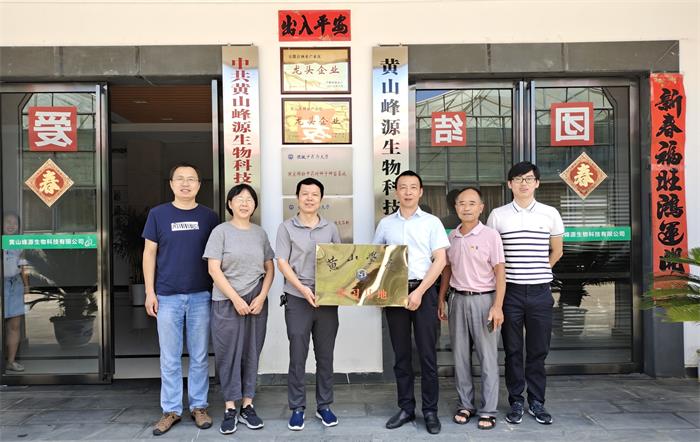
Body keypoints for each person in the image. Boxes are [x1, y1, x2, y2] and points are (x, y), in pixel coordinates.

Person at [142, 163, 219, 436]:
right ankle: (171, 410)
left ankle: (199, 406)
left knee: (199, 355)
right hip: (167, 296)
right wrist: (149, 292)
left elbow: (218, 256)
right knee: (170, 357)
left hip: (201, 295)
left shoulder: (210, 217)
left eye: (191, 179)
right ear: (171, 184)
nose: (186, 184)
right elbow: (149, 253)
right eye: (180, 179)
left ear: (199, 185)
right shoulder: (158, 214)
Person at [486, 161, 564, 426]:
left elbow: (557, 250)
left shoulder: (550, 213)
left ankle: (537, 401)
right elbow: (493, 255)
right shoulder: (498, 215)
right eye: (518, 179)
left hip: (541, 292)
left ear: (537, 183)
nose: (523, 183)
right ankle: (516, 401)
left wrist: (542, 269)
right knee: (513, 350)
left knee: (538, 350)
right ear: (510, 184)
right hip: (510, 293)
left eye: (529, 179)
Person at [373, 170, 450, 435]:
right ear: (396, 192)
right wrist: (377, 293)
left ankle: (430, 411)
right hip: (394, 293)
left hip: (424, 291)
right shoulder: (386, 224)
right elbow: (376, 260)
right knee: (401, 355)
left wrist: (419, 292)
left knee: (427, 354)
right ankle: (406, 407)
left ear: (420, 192)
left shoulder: (432, 222)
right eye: (403, 187)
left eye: (413, 187)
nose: (408, 192)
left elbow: (440, 260)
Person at [203, 184, 274, 435]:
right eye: (239, 198)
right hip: (226, 300)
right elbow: (213, 269)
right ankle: (230, 407)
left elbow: (269, 268)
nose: (245, 203)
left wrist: (262, 296)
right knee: (228, 353)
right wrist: (235, 299)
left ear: (255, 205)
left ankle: (248, 404)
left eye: (249, 199)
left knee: (251, 351)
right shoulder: (220, 232)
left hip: (256, 300)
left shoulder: (260, 233)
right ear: (230, 204)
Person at [276, 178, 341, 431]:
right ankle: (297, 407)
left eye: (315, 194)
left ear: (321, 199)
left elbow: (339, 261)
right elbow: (282, 262)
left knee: (325, 355)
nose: (310, 198)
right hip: (296, 298)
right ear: (297, 197)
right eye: (305, 194)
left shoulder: (330, 228)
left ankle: (324, 405)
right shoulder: (286, 227)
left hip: (326, 299)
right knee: (297, 355)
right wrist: (302, 289)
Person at [437, 187, 506, 430]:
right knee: (460, 357)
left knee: (487, 358)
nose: (466, 208)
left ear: (481, 207)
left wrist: (498, 306)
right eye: (461, 203)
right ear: (455, 207)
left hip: (484, 300)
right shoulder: (451, 237)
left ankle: (488, 409)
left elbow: (500, 272)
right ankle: (465, 405)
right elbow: (447, 270)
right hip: (457, 300)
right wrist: (441, 298)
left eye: (471, 203)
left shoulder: (490, 235)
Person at [3, 212, 29, 373]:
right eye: (8, 222)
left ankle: (11, 362)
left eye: (15, 223)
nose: (11, 225)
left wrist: (26, 286)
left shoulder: (19, 243)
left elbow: (23, 267)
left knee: (14, 325)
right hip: (2, 284)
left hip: (15, 284)